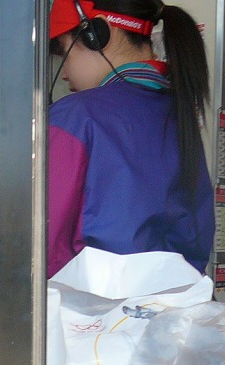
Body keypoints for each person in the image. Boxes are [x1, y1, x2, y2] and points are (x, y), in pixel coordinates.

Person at [47, 0, 214, 278]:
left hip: (89, 304)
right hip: (176, 302)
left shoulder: (74, 117)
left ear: (98, 33)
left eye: (65, 53)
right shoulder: (181, 118)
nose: (63, 73)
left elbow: (42, 246)